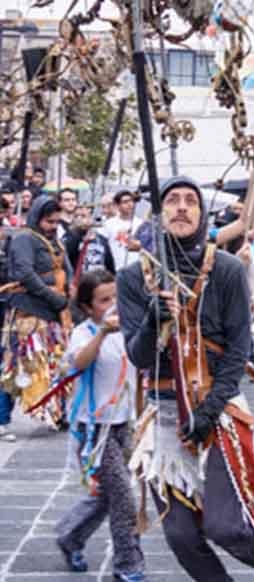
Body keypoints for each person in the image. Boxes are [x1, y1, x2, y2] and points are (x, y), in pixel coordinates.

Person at [117, 177, 254, 582]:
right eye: (172, 201)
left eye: (190, 201)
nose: (181, 207)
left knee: (224, 525)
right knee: (180, 535)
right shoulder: (131, 278)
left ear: (201, 213)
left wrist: (209, 412)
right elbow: (139, 355)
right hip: (163, 420)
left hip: (218, 409)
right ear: (158, 215)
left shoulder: (227, 269)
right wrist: (154, 319)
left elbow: (238, 351)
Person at [54, 270, 145, 581]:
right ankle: (128, 564)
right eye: (104, 300)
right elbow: (78, 363)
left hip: (124, 426)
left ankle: (70, 535)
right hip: (94, 431)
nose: (113, 305)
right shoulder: (84, 332)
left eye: (116, 297)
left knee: (108, 495)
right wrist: (103, 333)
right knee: (123, 497)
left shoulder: (130, 328)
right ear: (88, 306)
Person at [0, 195, 72, 426]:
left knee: (55, 365)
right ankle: (2, 419)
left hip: (52, 312)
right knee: (18, 367)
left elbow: (66, 270)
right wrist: (53, 296)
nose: (53, 227)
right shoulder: (24, 239)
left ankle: (57, 415)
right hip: (27, 313)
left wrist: (68, 296)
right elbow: (25, 274)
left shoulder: (54, 241)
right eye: (49, 222)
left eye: (56, 222)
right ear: (37, 218)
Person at [65, 204, 116, 288]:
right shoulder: (69, 237)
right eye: (76, 216)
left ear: (90, 218)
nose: (80, 219)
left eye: (83, 216)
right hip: (80, 285)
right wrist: (80, 231)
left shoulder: (101, 239)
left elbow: (109, 264)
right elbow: (68, 255)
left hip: (100, 284)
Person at [101, 190, 143, 270]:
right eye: (125, 202)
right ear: (117, 205)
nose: (130, 204)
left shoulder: (141, 224)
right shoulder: (108, 224)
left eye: (131, 201)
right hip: (116, 270)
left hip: (137, 270)